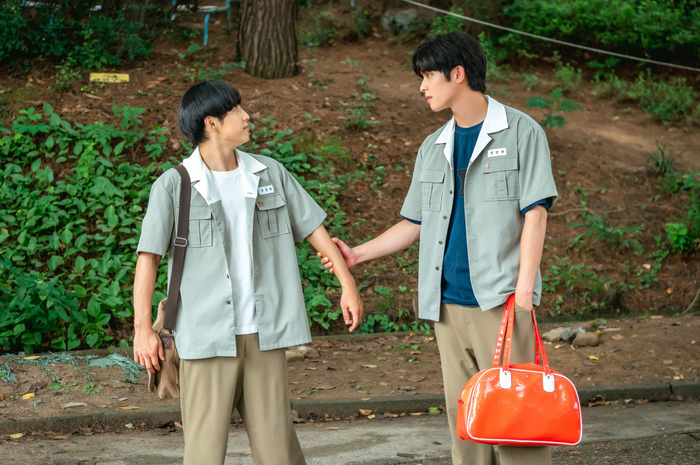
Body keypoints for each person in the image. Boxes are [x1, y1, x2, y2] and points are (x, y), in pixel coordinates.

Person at [318, 32, 558, 465]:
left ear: (458, 74)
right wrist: (358, 254)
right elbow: (414, 223)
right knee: (465, 424)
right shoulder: (433, 147)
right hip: (447, 306)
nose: (422, 86)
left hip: (502, 303)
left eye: (429, 75)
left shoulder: (523, 131)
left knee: (514, 425)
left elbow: (536, 215)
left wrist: (524, 292)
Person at [132, 80, 363, 465]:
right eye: (236, 110)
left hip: (264, 333)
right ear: (211, 123)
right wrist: (143, 329)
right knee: (204, 454)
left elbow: (314, 230)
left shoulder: (269, 172)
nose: (246, 115)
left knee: (279, 452)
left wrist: (347, 284)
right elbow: (148, 259)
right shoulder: (174, 185)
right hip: (205, 336)